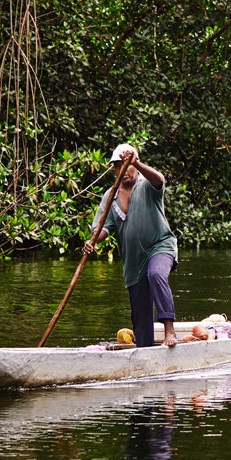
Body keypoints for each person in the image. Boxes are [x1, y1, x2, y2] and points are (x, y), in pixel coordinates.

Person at [84, 143, 180, 347]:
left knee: (156, 274)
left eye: (126, 165)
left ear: (135, 165)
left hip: (160, 246)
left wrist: (137, 161)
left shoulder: (147, 185)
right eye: (117, 166)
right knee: (140, 315)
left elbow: (159, 179)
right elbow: (103, 229)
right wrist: (93, 241)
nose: (122, 171)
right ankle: (144, 349)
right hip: (133, 261)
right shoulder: (110, 196)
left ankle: (169, 332)